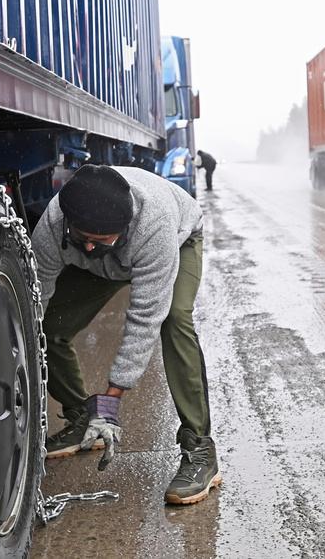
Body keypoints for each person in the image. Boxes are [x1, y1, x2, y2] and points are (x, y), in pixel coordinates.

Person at [31, 164, 220, 505]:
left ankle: (200, 449)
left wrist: (111, 401)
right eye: (81, 239)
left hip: (180, 240)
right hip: (111, 262)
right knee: (47, 326)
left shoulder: (155, 225)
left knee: (175, 321)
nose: (87, 248)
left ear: (125, 228)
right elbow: (35, 297)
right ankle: (82, 417)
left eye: (99, 241)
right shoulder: (54, 221)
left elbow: (143, 320)